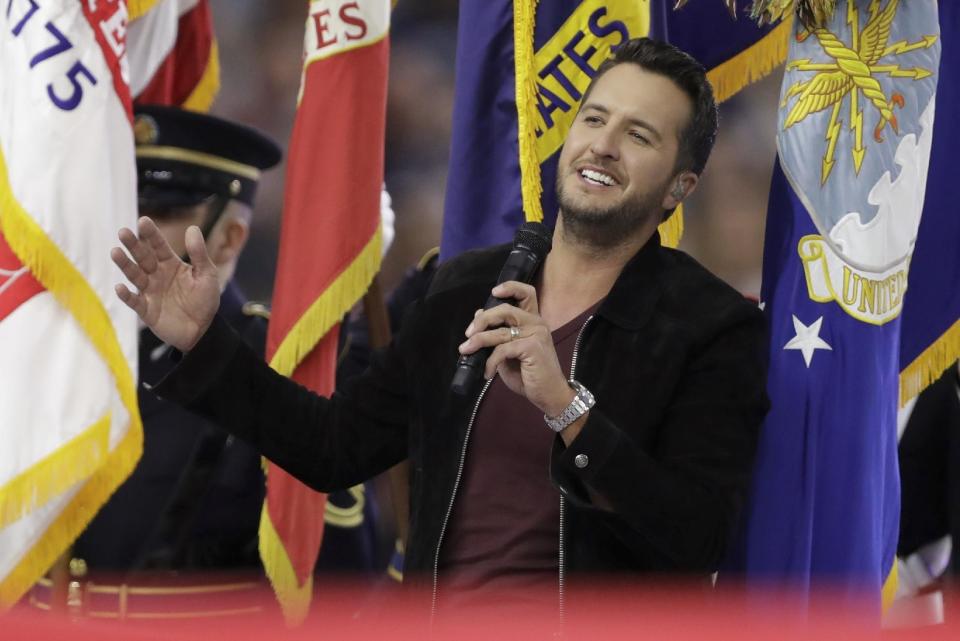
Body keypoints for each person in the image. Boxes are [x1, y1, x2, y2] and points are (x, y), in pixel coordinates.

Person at [110, 38, 769, 617]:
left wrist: (566, 407)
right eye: (594, 118)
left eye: (639, 135)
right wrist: (202, 341)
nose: (603, 143)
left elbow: (696, 535)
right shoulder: (462, 288)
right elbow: (334, 446)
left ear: (679, 188)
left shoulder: (713, 327)